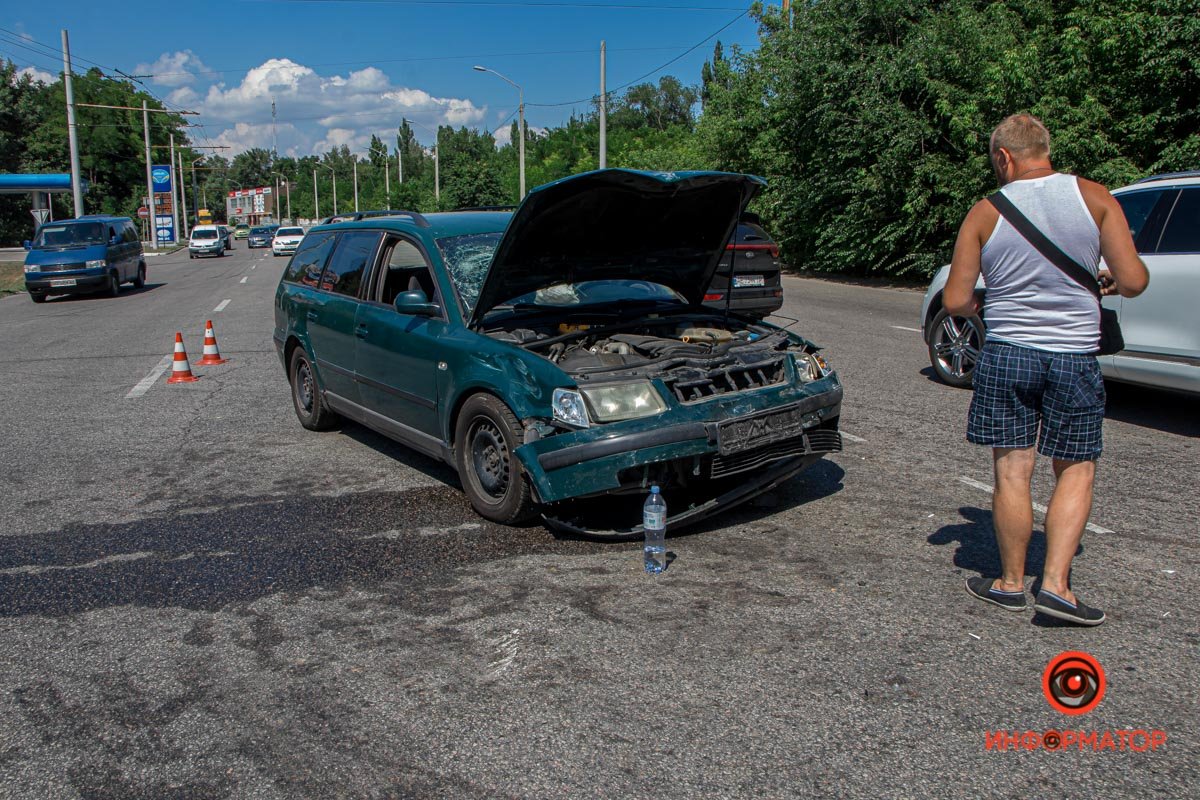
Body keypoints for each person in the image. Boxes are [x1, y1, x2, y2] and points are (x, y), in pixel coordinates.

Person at [945, 113, 1148, 626]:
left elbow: (955, 300)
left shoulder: (985, 212)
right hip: (1074, 356)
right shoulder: (1096, 196)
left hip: (1009, 353)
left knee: (1013, 470)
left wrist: (988, 306)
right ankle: (1057, 587)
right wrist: (1104, 283)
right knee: (1075, 467)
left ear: (1004, 157)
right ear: (1045, 149)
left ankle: (1011, 584)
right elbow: (1135, 280)